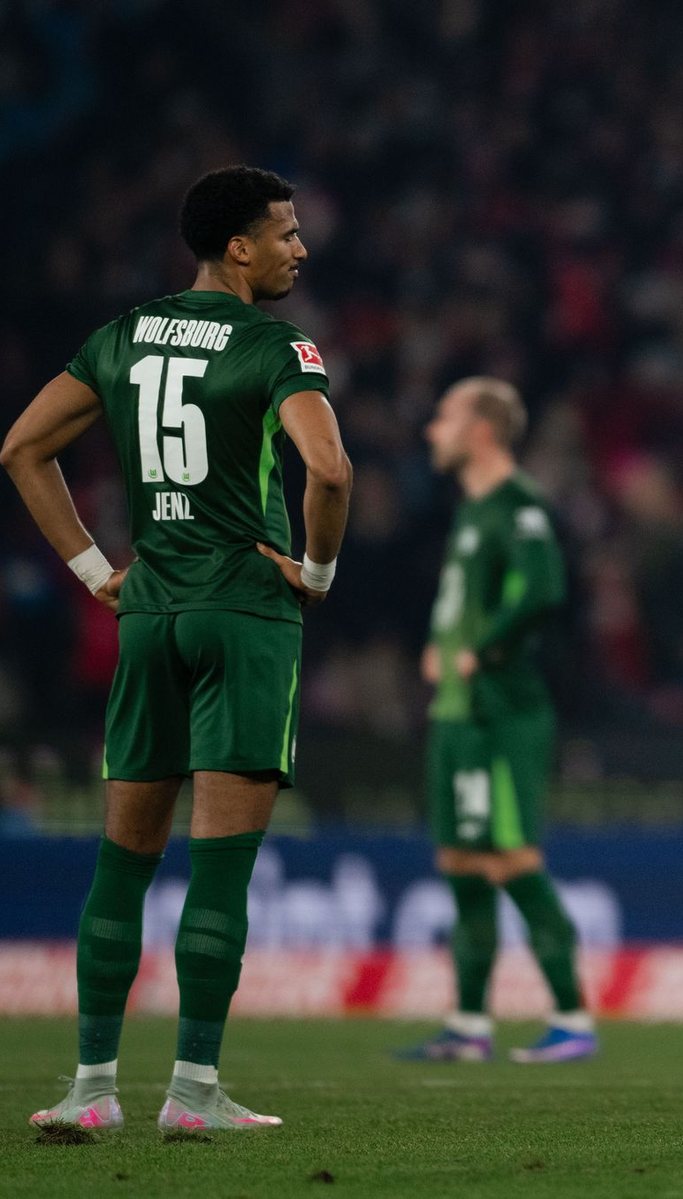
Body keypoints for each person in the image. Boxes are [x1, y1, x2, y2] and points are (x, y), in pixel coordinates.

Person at [3, 165, 352, 1131]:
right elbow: (328, 468)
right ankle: (193, 1092)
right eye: (285, 232)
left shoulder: (124, 334)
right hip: (242, 612)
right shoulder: (276, 344)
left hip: (148, 612)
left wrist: (88, 569)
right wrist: (316, 575)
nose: (299, 246)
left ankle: (90, 1089)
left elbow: (21, 448)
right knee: (222, 866)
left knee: (122, 862)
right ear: (238, 247)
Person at [394, 377, 596, 1064]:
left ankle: (572, 1019)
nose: (432, 430)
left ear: (481, 428)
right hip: (456, 712)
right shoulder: (474, 510)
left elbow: (543, 589)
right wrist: (441, 646)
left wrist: (484, 650)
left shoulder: (518, 506)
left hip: (500, 712)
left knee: (511, 856)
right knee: (460, 861)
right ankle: (469, 1024)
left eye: (444, 416)